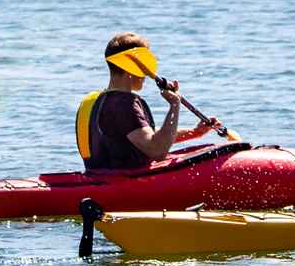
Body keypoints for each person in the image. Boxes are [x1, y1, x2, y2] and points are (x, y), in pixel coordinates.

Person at [76, 32, 220, 170]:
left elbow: (142, 134)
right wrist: (174, 106)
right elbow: (157, 150)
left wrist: (194, 132)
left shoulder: (100, 100)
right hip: (128, 183)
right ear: (131, 66)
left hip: (102, 179)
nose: (146, 73)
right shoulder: (124, 104)